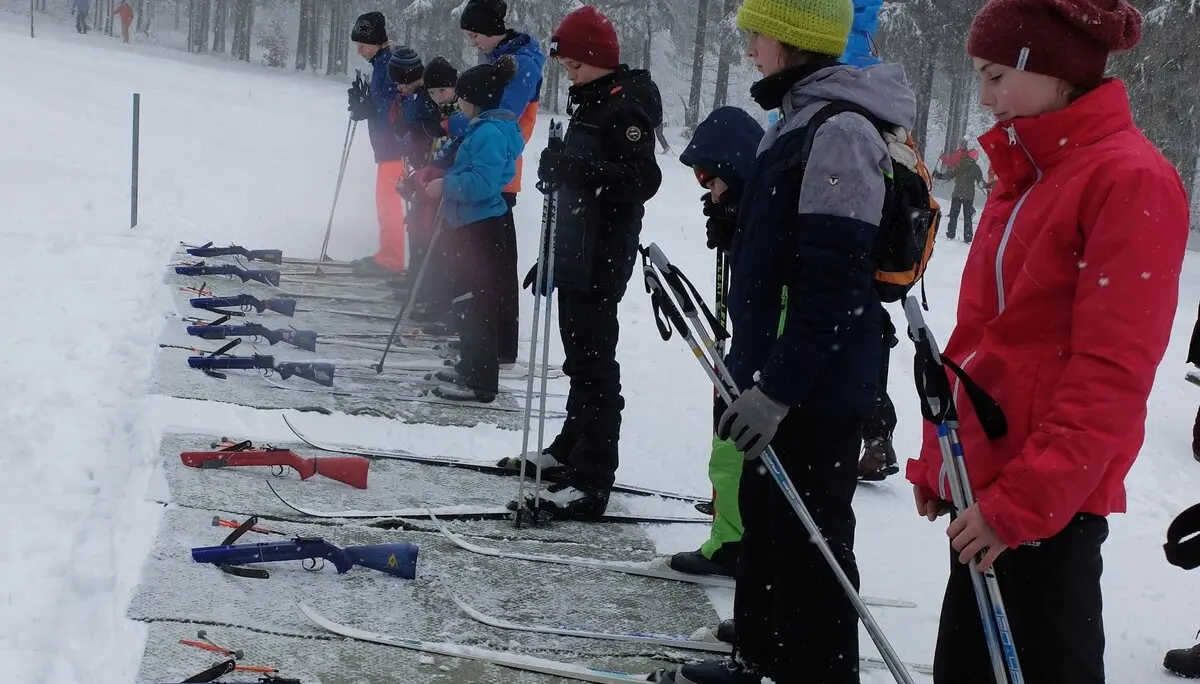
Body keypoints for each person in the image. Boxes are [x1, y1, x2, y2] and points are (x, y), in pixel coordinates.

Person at [905, 1, 1189, 682]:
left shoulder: (1128, 178)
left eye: (997, 75)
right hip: (989, 496)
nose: (984, 96)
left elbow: (1112, 373)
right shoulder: (1029, 171)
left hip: (1043, 511)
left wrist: (1022, 506)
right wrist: (945, 459)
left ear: (1056, 71)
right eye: (978, 75)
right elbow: (986, 339)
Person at [662, 0, 918, 680]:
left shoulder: (838, 131)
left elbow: (833, 280)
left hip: (813, 385)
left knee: (811, 544)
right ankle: (761, 656)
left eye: (758, 34)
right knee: (769, 527)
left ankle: (814, 672)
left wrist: (777, 389)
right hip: (777, 372)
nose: (749, 48)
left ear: (793, 38)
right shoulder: (800, 118)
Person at [511, 5, 663, 521]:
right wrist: (551, 254)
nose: (569, 74)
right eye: (567, 66)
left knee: (595, 368)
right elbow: (580, 189)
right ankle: (571, 449)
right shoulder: (592, 103)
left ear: (599, 59)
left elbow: (644, 181)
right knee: (578, 362)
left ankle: (593, 476)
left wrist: (580, 169)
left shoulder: (623, 110)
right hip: (576, 254)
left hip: (601, 259)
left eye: (576, 65)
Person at [668, 106, 764, 577]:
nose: (707, 189)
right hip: (748, 342)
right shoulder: (747, 207)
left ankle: (736, 542)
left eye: (709, 176)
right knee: (727, 433)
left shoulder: (765, 211)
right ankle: (731, 534)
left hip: (762, 352)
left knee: (735, 438)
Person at [419, 57, 525, 404]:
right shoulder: (482, 129)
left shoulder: (490, 133)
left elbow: (484, 182)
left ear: (474, 99)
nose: (458, 103)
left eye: (463, 97)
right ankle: (468, 366)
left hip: (480, 229)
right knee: (465, 300)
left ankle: (481, 381)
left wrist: (446, 186)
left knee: (477, 303)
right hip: (467, 225)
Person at [389, 50, 460, 322]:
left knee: (435, 239)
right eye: (434, 92)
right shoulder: (424, 102)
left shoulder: (451, 111)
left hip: (440, 182)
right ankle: (421, 289)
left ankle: (433, 295)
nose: (437, 96)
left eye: (442, 90)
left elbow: (445, 142)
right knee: (420, 232)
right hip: (425, 173)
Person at [346, 12, 408, 276]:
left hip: (395, 148)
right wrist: (365, 102)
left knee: (390, 203)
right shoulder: (381, 64)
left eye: (363, 45)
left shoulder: (391, 65)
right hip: (386, 148)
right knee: (385, 203)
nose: (359, 51)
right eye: (357, 45)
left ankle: (392, 259)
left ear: (376, 41)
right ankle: (387, 254)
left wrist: (370, 108)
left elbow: (397, 108)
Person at [934, 137, 988, 243]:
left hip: (957, 194)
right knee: (967, 218)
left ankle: (950, 233)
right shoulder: (976, 168)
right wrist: (990, 185)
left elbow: (949, 175)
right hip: (968, 196)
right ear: (975, 158)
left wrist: (938, 175)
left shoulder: (960, 165)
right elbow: (981, 183)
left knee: (954, 215)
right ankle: (967, 237)